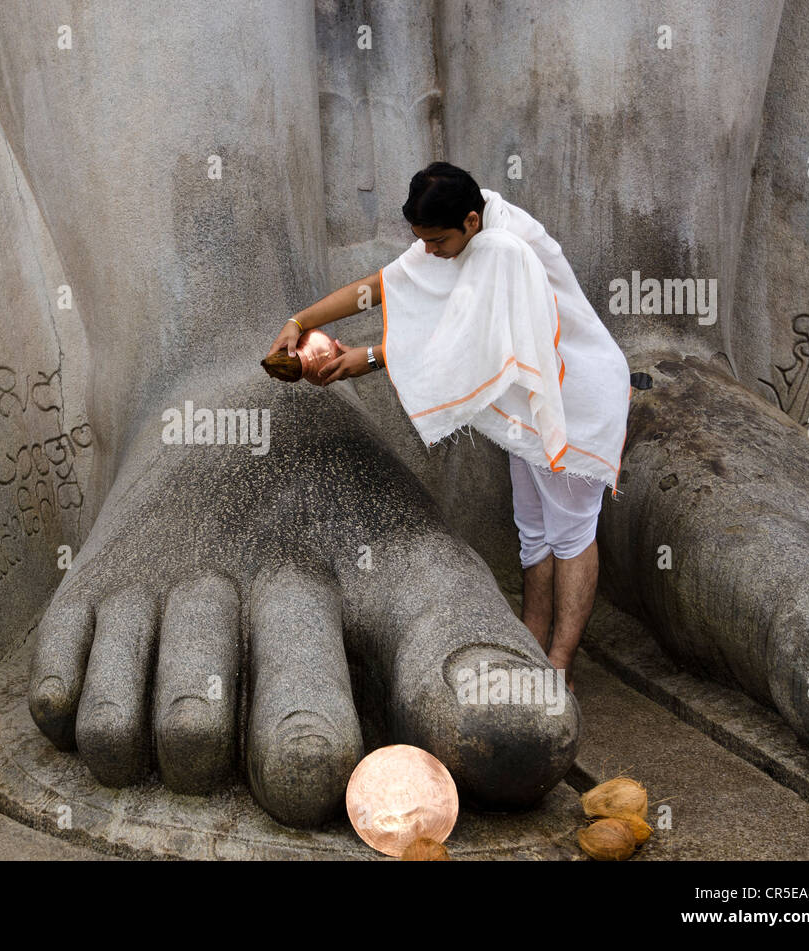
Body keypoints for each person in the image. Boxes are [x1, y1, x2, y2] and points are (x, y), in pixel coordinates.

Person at [265, 162, 631, 690]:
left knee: (571, 534)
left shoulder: (506, 251)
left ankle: (559, 666)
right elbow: (383, 286)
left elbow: (474, 338)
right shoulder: (460, 225)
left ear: (471, 222)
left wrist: (368, 357)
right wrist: (301, 321)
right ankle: (529, 640)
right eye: (422, 241)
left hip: (572, 396)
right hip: (530, 397)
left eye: (437, 242)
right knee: (534, 530)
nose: (429, 253)